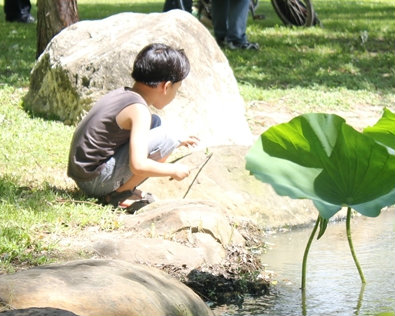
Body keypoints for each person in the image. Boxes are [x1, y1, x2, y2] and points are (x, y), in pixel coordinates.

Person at [67, 43, 200, 211]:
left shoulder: (125, 95)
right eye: (177, 88)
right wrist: (173, 169)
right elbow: (137, 165)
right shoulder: (139, 110)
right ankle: (120, 193)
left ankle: (121, 189)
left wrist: (178, 141)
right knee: (167, 137)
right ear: (166, 87)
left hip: (84, 175)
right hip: (94, 182)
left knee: (156, 123)